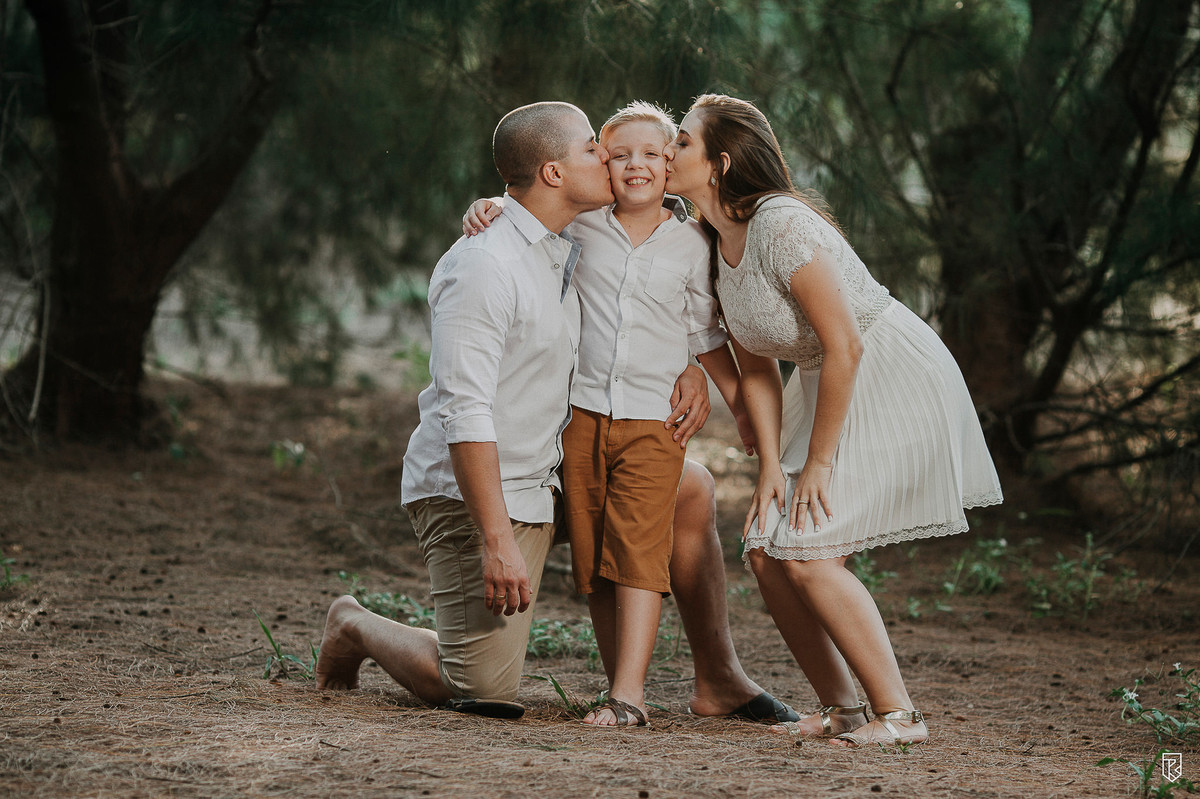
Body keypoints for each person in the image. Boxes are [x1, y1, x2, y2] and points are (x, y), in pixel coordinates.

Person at [316, 100, 792, 727]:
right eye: (596, 148)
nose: (611, 160)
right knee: (481, 687)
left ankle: (720, 678)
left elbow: (636, 313)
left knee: (689, 487)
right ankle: (352, 621)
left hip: (554, 471)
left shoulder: (561, 239)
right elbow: (466, 415)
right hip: (483, 492)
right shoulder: (488, 264)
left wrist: (688, 364)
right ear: (554, 174)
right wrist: (496, 544)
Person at [661, 94, 1003, 747]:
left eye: (680, 141)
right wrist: (767, 466)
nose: (669, 152)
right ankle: (842, 708)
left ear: (720, 162)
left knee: (814, 550)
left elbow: (845, 342)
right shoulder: (713, 240)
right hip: (820, 382)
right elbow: (757, 366)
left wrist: (817, 464)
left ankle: (899, 715)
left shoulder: (779, 223)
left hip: (885, 371)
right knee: (765, 548)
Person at [462, 101, 762, 728]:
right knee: (596, 559)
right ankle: (615, 687)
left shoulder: (691, 242)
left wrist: (735, 403)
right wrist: (489, 205)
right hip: (581, 419)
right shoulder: (582, 226)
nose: (635, 166)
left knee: (638, 551)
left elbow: (705, 333)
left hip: (652, 422)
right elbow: (530, 215)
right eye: (618, 154)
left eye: (653, 154)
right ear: (601, 160)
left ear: (671, 161)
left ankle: (631, 696)